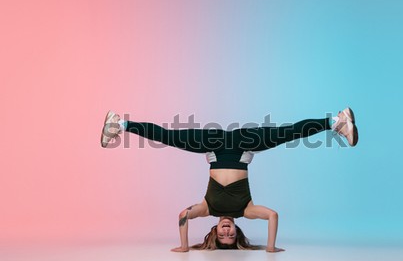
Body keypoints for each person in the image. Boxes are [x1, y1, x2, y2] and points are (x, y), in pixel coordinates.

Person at [100, 108, 358, 253]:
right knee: (285, 134)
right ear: (237, 232)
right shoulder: (246, 210)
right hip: (244, 143)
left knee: (169, 137)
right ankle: (336, 121)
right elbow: (272, 216)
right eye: (230, 235)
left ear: (213, 233)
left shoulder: (207, 208)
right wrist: (270, 247)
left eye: (222, 235)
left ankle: (119, 123)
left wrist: (184, 245)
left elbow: (182, 215)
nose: (226, 231)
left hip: (212, 143)